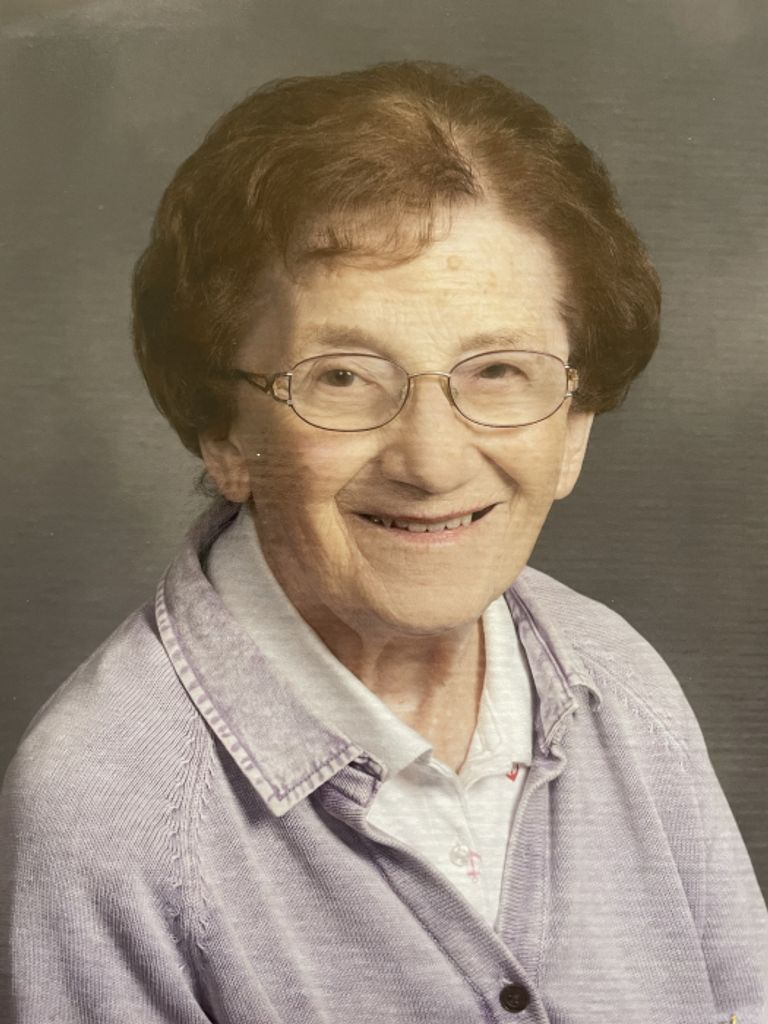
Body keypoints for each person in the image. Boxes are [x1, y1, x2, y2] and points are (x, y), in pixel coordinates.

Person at [1, 60, 766, 1024]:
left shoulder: (622, 682)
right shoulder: (105, 816)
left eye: (498, 370)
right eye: (344, 378)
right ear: (221, 431)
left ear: (573, 427)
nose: (432, 463)